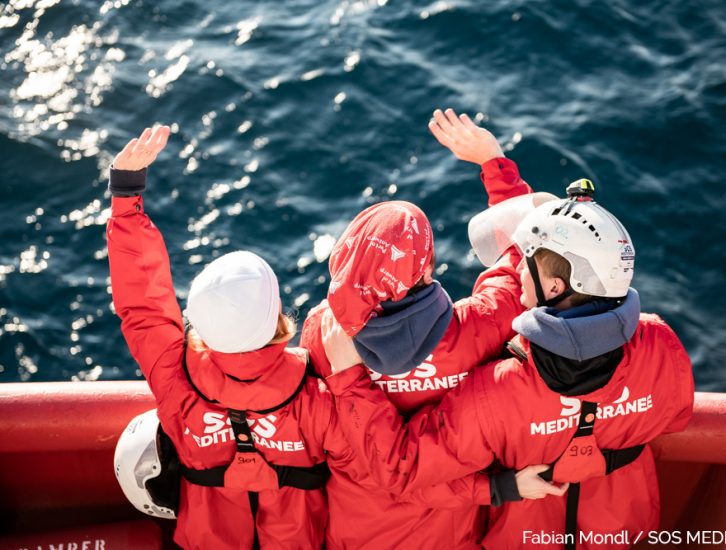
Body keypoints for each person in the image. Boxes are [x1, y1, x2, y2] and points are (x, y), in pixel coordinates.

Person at [321, 177, 695, 549]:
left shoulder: (497, 392)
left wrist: (349, 380)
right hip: (623, 529)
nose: (519, 271)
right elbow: (675, 417)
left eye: (528, 263)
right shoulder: (661, 343)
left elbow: (403, 466)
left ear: (554, 288)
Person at [299, 109, 554, 549]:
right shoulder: (483, 323)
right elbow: (523, 256)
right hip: (451, 533)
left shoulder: (324, 334)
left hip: (356, 532)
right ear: (429, 267)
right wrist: (494, 164)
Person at [106, 126, 355, 550]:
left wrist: (126, 197)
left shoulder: (175, 380)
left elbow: (143, 306)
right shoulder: (317, 396)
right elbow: (362, 470)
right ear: (276, 317)